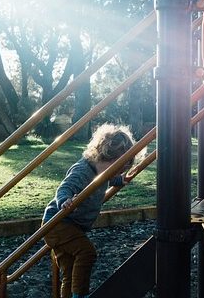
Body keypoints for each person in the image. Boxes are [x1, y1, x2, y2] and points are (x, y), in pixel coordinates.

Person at [42, 123, 142, 298]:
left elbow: (107, 179)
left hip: (72, 226)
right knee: (87, 252)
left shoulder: (101, 171)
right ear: (104, 156)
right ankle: (80, 295)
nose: (115, 173)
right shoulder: (82, 171)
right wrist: (65, 201)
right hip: (58, 223)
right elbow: (64, 188)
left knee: (70, 272)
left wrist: (119, 180)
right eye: (117, 169)